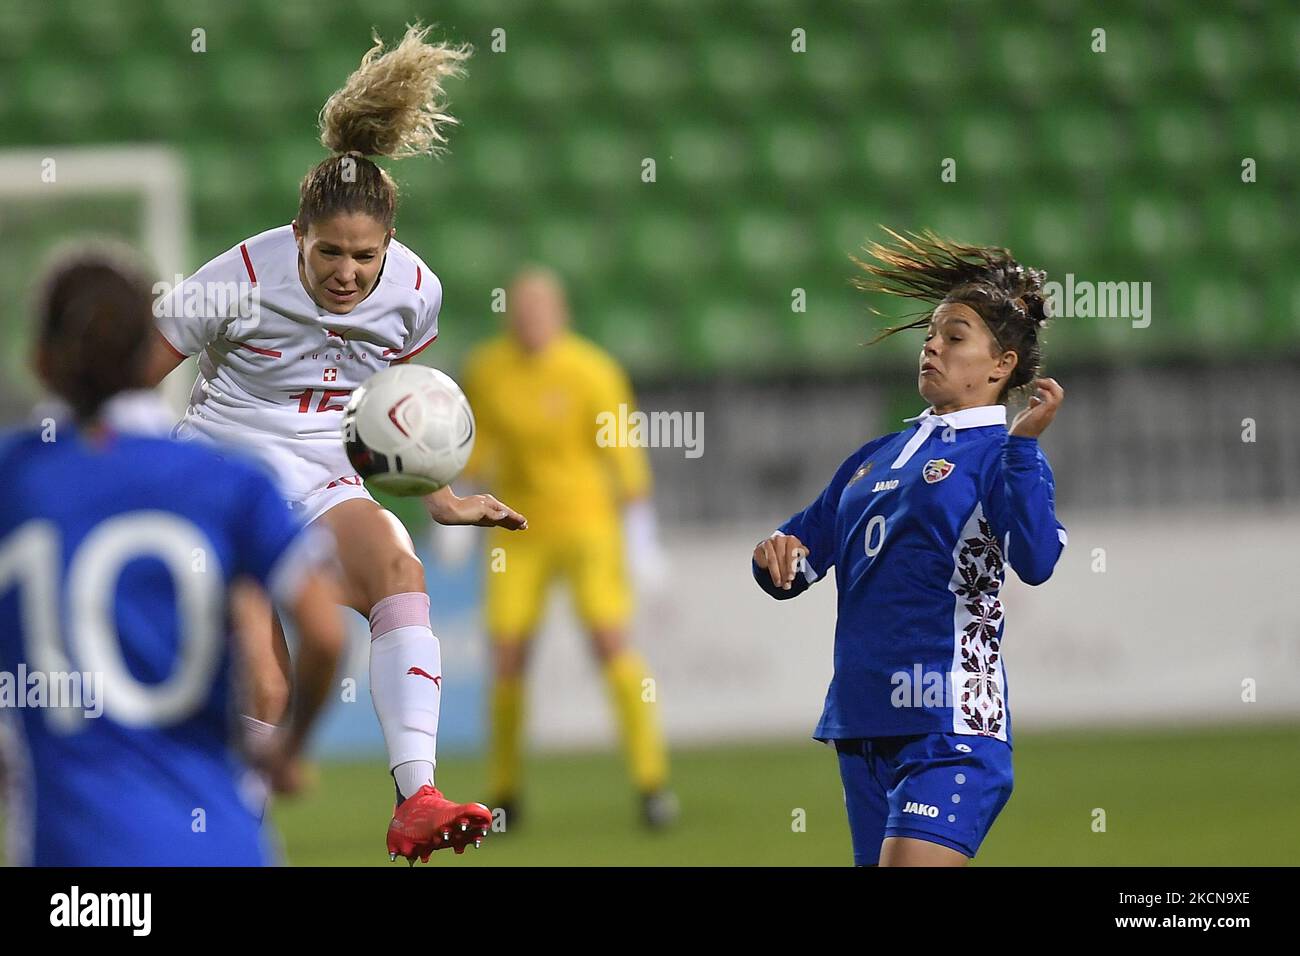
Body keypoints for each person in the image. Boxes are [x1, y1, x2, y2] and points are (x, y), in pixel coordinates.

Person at [144, 24, 526, 863]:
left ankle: (416, 796)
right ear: (297, 235)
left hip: (323, 470)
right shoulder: (238, 278)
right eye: (329, 254)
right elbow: (137, 372)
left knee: (400, 569)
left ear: (388, 245)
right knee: (269, 686)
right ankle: (216, 837)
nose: (348, 273)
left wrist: (442, 498)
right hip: (223, 472)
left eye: (365, 256)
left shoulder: (417, 293)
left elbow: (396, 416)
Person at [0, 243, 345, 866]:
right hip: (217, 845)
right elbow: (323, 632)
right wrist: (288, 751)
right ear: (147, 354)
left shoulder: (15, 480)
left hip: (75, 859)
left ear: (41, 362)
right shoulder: (228, 482)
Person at [752, 230, 1067, 866]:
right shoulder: (874, 459)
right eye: (931, 334)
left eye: (955, 337)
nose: (931, 346)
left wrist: (1025, 447)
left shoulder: (1000, 456)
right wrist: (772, 556)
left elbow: (1035, 561)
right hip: (863, 722)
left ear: (1001, 364)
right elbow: (796, 557)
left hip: (951, 721)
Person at [459, 266, 676, 829]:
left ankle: (651, 785)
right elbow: (474, 444)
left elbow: (622, 451)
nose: (530, 319)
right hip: (518, 530)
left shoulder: (590, 370)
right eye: (521, 309)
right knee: (506, 655)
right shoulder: (488, 370)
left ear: (560, 314)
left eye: (540, 309)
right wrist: (452, 508)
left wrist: (641, 534)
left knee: (610, 643)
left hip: (586, 525)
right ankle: (505, 793)